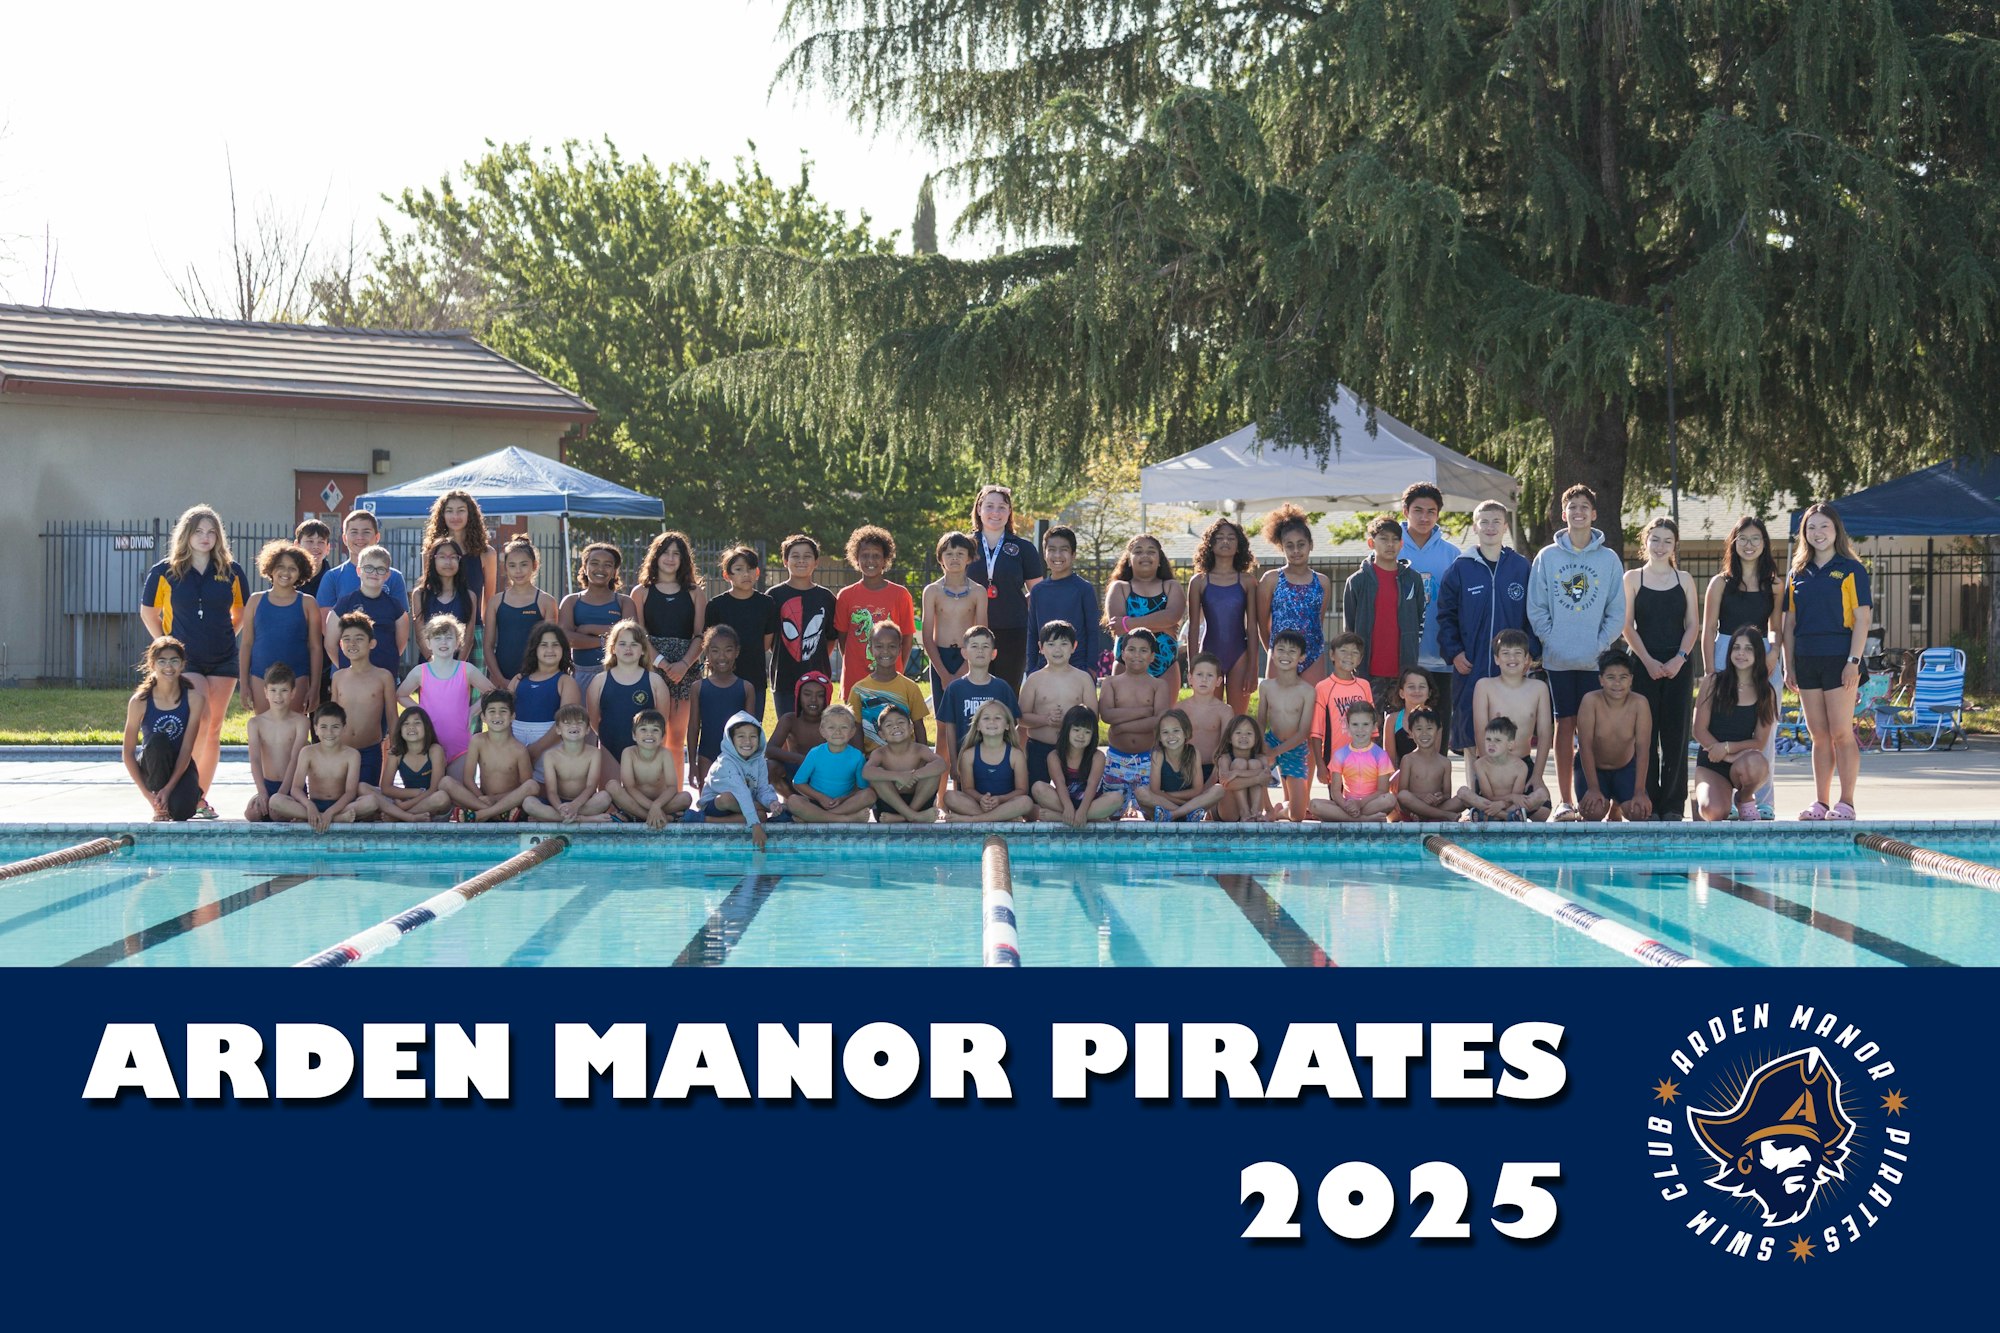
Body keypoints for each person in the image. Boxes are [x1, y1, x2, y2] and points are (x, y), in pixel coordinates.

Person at [139, 503, 247, 816]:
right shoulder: (164, 571)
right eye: (199, 531)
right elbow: (148, 612)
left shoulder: (232, 571)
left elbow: (240, 611)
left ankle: (199, 797)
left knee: (214, 727)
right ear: (186, 534)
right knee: (198, 722)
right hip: (188, 660)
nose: (205, 537)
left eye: (211, 532)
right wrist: (165, 645)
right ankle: (181, 790)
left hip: (224, 658)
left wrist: (229, 633)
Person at [1526, 484, 1627, 818]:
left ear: (1594, 514)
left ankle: (1599, 798)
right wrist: (1551, 639)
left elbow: (1617, 611)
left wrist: (1599, 645)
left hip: (1593, 661)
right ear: (1563, 513)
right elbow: (1536, 607)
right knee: (1564, 728)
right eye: (1572, 507)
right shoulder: (1548, 557)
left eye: (1585, 507)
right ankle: (1566, 801)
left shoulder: (1608, 559)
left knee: (1595, 732)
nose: (1578, 512)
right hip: (1558, 660)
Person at [1783, 502, 1872, 820]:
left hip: (1840, 660)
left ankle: (1846, 803)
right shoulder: (1796, 573)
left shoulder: (1852, 569)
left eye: (1824, 526)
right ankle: (1820, 803)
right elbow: (1789, 624)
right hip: (1807, 661)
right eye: (1811, 527)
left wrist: (1853, 661)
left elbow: (1862, 620)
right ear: (1804, 534)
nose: (1818, 533)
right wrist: (1788, 664)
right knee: (1818, 735)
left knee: (1840, 733)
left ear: (1836, 531)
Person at [1436, 499, 1534, 759]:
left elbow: (1533, 613)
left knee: (1509, 728)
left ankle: (1510, 789)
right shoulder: (1460, 568)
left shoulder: (1520, 567)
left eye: (1496, 522)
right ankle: (1474, 788)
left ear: (1505, 527)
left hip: (1511, 665)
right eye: (1484, 522)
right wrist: (1454, 652)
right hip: (1471, 664)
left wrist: (1529, 654)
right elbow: (1446, 616)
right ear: (1475, 526)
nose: (1490, 527)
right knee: (1471, 729)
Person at [1700, 516, 1783, 811]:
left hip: (1762, 655)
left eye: (1755, 539)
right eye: (1743, 539)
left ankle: (1762, 802)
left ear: (1764, 544)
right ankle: (1727, 793)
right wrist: (1710, 670)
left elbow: (1775, 626)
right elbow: (1709, 628)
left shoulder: (1774, 584)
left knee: (1765, 731)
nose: (1749, 545)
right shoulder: (1720, 583)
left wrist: (1774, 651)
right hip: (1727, 650)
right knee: (1727, 725)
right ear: (1734, 543)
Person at [1622, 517, 1700, 820]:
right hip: (1643, 662)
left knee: (1675, 737)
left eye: (1667, 541)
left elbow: (1693, 624)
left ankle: (1672, 806)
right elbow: (1627, 626)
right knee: (1645, 736)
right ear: (1646, 542)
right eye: (1655, 539)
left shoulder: (1685, 579)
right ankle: (1648, 802)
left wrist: (1680, 658)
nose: (1660, 546)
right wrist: (1648, 661)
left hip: (1678, 663)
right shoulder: (1633, 578)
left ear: (1675, 545)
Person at [633, 530, 708, 761]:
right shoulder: (641, 592)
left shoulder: (695, 593)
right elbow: (640, 635)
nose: (670, 558)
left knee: (676, 739)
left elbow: (700, 635)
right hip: (652, 667)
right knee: (654, 736)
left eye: (677, 554)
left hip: (685, 670)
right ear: (655, 556)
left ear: (684, 560)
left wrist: (683, 665)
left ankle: (675, 794)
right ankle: (652, 792)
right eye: (665, 552)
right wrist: (662, 663)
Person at [395, 613, 496, 782]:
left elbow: (491, 692)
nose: (443, 642)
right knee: (435, 794)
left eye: (449, 638)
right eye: (438, 638)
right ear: (428, 643)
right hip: (429, 745)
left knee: (459, 792)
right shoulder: (421, 671)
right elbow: (401, 695)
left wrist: (472, 711)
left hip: (460, 747)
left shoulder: (467, 669)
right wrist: (421, 711)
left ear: (458, 643)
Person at [1692, 628, 1779, 822]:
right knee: (1713, 812)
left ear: (1758, 654)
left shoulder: (1766, 692)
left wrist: (1728, 751)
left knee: (1758, 763)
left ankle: (1744, 798)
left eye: (1748, 649)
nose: (1741, 653)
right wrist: (1720, 752)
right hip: (1711, 761)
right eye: (1736, 648)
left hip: (1742, 761)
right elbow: (1698, 730)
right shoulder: (1713, 682)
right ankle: (1703, 795)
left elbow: (1759, 742)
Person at [1470, 629, 1554, 821]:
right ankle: (1511, 813)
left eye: (1517, 653)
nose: (1512, 658)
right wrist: (1488, 768)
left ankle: (1500, 813)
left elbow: (1544, 733)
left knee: (1543, 811)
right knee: (1471, 796)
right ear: (1496, 659)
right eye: (1505, 653)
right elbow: (1480, 731)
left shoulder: (1538, 688)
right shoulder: (1484, 686)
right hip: (1491, 763)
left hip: (1522, 763)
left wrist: (1538, 775)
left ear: (1527, 659)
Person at [1343, 515, 1427, 708]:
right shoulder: (1357, 581)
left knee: (1402, 730)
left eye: (1395, 539)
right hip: (1368, 671)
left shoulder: (1413, 580)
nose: (1390, 544)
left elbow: (1419, 617)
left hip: (1404, 671)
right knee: (1371, 728)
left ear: (1401, 543)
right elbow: (1350, 629)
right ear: (1371, 543)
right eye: (1384, 539)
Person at [967, 483, 1045, 688]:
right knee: (974, 691)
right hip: (971, 631)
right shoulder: (963, 545)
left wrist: (1018, 605)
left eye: (1002, 507)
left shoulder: (1024, 548)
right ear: (979, 509)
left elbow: (1038, 594)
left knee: (1007, 691)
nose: (996, 512)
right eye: (989, 506)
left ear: (1009, 512)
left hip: (1013, 631)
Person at [121, 636, 207, 822]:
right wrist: (149, 796)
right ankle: (159, 806)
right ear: (152, 664)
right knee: (158, 740)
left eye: (174, 661)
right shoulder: (139, 702)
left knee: (181, 811)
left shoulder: (194, 699)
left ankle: (187, 794)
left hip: (180, 764)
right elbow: (127, 753)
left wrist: (168, 790)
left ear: (183, 664)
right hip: (153, 762)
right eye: (162, 661)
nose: (169, 666)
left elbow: (186, 749)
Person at [1398, 481, 1461, 716]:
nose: (1424, 517)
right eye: (1418, 510)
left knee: (1439, 724)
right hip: (1401, 657)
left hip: (1441, 657)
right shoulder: (1392, 549)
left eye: (1431, 511)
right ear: (1406, 511)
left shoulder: (1453, 555)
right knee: (1400, 729)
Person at [239, 539, 321, 716]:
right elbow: (246, 644)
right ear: (270, 567)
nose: (286, 572)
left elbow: (315, 647)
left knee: (294, 732)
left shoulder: (308, 603)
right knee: (265, 729)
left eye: (293, 568)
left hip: (297, 676)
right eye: (281, 566)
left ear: (301, 573)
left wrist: (315, 687)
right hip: (260, 675)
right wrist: (244, 683)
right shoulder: (255, 600)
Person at [271, 701, 377, 830]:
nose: (329, 732)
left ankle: (319, 818)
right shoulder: (307, 752)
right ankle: (330, 819)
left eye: (335, 727)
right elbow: (296, 788)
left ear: (344, 728)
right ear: (315, 729)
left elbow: (350, 792)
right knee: (275, 800)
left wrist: (331, 812)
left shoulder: (352, 755)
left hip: (341, 806)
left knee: (371, 802)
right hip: (314, 804)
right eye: (324, 727)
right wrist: (309, 806)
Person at [1187, 517, 1257, 713]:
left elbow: (1252, 627)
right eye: (1219, 538)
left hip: (1240, 656)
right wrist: (1193, 665)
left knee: (1236, 719)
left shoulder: (1248, 581)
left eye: (1231, 538)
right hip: (1209, 653)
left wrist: (1253, 667)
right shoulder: (1199, 582)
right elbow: (1193, 626)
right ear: (1210, 544)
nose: (1225, 541)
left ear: (1239, 545)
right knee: (1211, 715)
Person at [1575, 648, 1653, 822]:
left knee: (1639, 812)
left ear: (1631, 680)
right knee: (1593, 812)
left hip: (1625, 767)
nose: (1617, 683)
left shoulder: (1639, 703)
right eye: (1611, 678)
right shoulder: (1590, 701)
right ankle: (1600, 796)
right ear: (1601, 680)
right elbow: (1584, 746)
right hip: (1593, 768)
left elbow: (1643, 749)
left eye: (1623, 677)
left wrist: (1640, 791)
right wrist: (1593, 788)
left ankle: (1617, 805)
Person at [1098, 629, 1173, 810]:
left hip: (1148, 759)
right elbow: (1106, 715)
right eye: (1131, 649)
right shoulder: (1111, 683)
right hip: (1117, 758)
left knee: (1150, 814)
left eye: (1143, 650)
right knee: (1113, 814)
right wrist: (1143, 711)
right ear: (1122, 653)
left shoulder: (1159, 685)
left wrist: (1122, 727)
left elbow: (1159, 720)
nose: (1136, 655)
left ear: (1152, 656)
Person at [835, 526, 915, 695]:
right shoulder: (845, 595)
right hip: (855, 679)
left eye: (876, 556)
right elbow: (843, 638)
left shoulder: (901, 594)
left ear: (885, 560)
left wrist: (898, 667)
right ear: (856, 559)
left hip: (890, 677)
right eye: (865, 555)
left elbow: (907, 638)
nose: (870, 560)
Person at [1105, 533, 1186, 695]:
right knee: (1125, 714)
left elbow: (1172, 616)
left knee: (1163, 718)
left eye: (1151, 551)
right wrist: (1162, 626)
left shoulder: (1171, 586)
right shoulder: (1120, 588)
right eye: (1138, 551)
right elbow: (1118, 628)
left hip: (1165, 663)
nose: (1145, 555)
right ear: (1129, 559)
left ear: (1159, 560)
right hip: (1126, 661)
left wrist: (1129, 623)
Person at [325, 612, 397, 792]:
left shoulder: (383, 677)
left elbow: (392, 716)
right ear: (340, 644)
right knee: (338, 797)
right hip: (341, 750)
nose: (352, 644)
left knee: (366, 800)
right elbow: (332, 717)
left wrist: (395, 747)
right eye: (347, 639)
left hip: (370, 752)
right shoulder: (338, 677)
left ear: (372, 643)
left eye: (359, 638)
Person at [1018, 621, 1097, 785]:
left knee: (1074, 796)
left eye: (1064, 644)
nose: (1057, 649)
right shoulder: (1034, 679)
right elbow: (1021, 718)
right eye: (1051, 644)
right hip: (1040, 748)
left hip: (1075, 749)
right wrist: (1045, 720)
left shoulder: (1083, 679)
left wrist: (1068, 723)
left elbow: (1093, 717)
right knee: (1036, 794)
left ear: (1074, 646)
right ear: (1041, 647)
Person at [1258, 504, 1330, 684]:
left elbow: (1317, 622)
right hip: (1280, 653)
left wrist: (1307, 651)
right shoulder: (1271, 579)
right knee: (1277, 707)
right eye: (1289, 546)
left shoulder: (1322, 582)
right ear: (1282, 548)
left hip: (1312, 654)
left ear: (1311, 545)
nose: (1296, 551)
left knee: (1312, 707)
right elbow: (1262, 623)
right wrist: (1275, 651)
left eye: (1301, 544)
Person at [442, 693, 539, 822]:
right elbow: (468, 779)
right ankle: (496, 814)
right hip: (482, 798)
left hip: (508, 801)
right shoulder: (477, 741)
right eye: (492, 711)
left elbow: (525, 787)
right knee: (446, 782)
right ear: (483, 717)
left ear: (512, 716)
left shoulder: (519, 750)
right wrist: (482, 798)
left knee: (532, 785)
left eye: (503, 711)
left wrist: (494, 800)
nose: (497, 716)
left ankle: (480, 814)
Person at [695, 711, 787, 849]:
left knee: (761, 816)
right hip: (717, 806)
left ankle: (710, 822)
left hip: (743, 806)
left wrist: (771, 802)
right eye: (741, 736)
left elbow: (762, 788)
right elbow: (741, 792)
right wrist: (755, 825)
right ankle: (705, 818)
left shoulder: (759, 761)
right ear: (731, 740)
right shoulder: (725, 762)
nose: (747, 742)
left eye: (753, 736)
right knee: (727, 798)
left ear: (760, 738)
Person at [770, 534, 838, 719]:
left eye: (807, 556)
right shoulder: (774, 595)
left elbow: (831, 638)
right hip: (784, 676)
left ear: (816, 562)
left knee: (817, 728)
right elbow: (770, 638)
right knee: (787, 727)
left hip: (817, 676)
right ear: (785, 561)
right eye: (795, 556)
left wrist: (812, 657)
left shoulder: (826, 597)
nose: (801, 560)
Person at [559, 541, 637, 698]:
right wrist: (607, 640)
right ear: (585, 568)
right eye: (594, 563)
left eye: (607, 565)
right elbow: (566, 639)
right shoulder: (571, 601)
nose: (600, 569)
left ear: (615, 571)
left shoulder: (624, 602)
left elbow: (631, 636)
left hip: (618, 673)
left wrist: (589, 629)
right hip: (581, 673)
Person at [586, 621, 670, 766]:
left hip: (644, 753)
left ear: (643, 650)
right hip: (609, 749)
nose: (628, 648)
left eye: (634, 644)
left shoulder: (655, 682)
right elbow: (594, 721)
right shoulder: (599, 682)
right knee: (610, 789)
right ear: (612, 648)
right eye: (622, 644)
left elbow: (662, 723)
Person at [511, 621, 584, 783]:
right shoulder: (518, 680)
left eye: (555, 645)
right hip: (515, 743)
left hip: (550, 742)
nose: (550, 650)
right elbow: (505, 713)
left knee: (542, 789)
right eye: (544, 645)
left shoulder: (565, 682)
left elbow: (566, 722)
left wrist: (536, 750)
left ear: (564, 650)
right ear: (534, 649)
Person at [1027, 525, 1103, 677]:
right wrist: (1031, 670)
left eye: (1064, 549)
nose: (1057, 555)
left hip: (1078, 667)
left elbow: (1093, 632)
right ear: (1044, 554)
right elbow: (1033, 633)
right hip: (1044, 668)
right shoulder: (1037, 591)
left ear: (1073, 554)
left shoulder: (1084, 589)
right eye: (1052, 549)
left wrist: (1091, 668)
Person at [936, 626, 1021, 762]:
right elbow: (950, 727)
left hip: (998, 761)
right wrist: (953, 761)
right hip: (964, 762)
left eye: (985, 646)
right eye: (974, 646)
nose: (980, 650)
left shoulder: (1002, 688)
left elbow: (1014, 725)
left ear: (993, 653)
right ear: (964, 653)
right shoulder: (955, 689)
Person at [943, 697, 1035, 823]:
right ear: (978, 726)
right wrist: (981, 799)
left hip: (1006, 804)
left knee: (1026, 802)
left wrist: (1000, 799)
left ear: (1008, 725)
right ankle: (1002, 818)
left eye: (998, 718)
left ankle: (973, 819)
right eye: (986, 718)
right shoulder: (969, 755)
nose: (992, 721)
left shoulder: (1015, 754)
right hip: (978, 805)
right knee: (950, 796)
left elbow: (1022, 790)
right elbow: (967, 789)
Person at [485, 536, 559, 690]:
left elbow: (551, 646)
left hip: (537, 679)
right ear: (505, 568)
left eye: (523, 565)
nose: (518, 571)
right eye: (512, 565)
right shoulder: (495, 602)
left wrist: (538, 677)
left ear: (534, 565)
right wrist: (501, 680)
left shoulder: (546, 602)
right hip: (501, 680)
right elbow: (488, 646)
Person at [923, 532, 987, 711]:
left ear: (969, 558)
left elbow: (983, 634)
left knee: (968, 718)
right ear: (940, 558)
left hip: (969, 657)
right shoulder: (932, 591)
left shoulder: (978, 592)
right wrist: (944, 675)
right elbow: (927, 637)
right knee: (942, 724)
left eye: (960, 553)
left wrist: (963, 671)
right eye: (949, 554)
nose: (954, 558)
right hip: (939, 659)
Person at [1030, 704, 1123, 825]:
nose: (1081, 736)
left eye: (1087, 732)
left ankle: (1062, 817)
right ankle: (1089, 818)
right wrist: (1068, 807)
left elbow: (1092, 785)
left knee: (1117, 798)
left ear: (1093, 735)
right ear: (1066, 730)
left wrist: (1083, 811)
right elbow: (1060, 784)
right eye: (1076, 730)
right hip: (1062, 802)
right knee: (1038, 788)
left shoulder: (1097, 757)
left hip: (1090, 803)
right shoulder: (1054, 756)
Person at [846, 621, 932, 752]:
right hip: (872, 762)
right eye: (879, 646)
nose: (885, 651)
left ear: (899, 649)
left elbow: (919, 726)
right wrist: (860, 762)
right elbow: (856, 729)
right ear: (871, 649)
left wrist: (924, 758)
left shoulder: (910, 687)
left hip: (907, 761)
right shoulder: (858, 690)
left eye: (892, 646)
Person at [687, 624, 757, 784]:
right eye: (715, 650)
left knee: (735, 803)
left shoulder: (746, 688)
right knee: (708, 805)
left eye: (728, 650)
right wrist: (692, 764)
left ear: (737, 652)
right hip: (707, 756)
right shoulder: (698, 687)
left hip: (738, 757)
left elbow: (751, 732)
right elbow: (693, 727)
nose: (722, 656)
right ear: (706, 652)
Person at [783, 704, 876, 823]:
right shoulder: (815, 753)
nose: (838, 732)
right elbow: (798, 783)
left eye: (844, 727)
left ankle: (815, 818)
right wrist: (820, 797)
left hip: (843, 804)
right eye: (831, 727)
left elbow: (861, 788)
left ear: (852, 732)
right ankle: (844, 819)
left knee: (870, 794)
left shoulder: (857, 756)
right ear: (822, 731)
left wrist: (843, 799)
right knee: (793, 801)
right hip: (816, 803)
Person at [1309, 700, 1399, 822]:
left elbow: (1382, 790)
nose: (1360, 730)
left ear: (1374, 726)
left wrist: (1360, 804)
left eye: (1365, 725)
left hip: (1370, 804)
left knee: (1390, 799)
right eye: (1355, 724)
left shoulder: (1380, 755)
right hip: (1347, 805)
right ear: (1347, 726)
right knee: (1314, 805)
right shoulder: (1340, 754)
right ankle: (1363, 819)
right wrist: (1346, 806)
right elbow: (1335, 791)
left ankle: (1347, 818)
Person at [327, 544, 410, 677]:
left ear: (387, 575)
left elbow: (400, 645)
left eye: (380, 569)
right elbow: (330, 645)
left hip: (384, 678)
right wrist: (347, 667)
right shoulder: (345, 604)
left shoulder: (395, 607)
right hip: (352, 678)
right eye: (369, 568)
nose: (374, 573)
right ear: (359, 571)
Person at [1258, 631, 1315, 822]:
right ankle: (1268, 810)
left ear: (1302, 657)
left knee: (1297, 816)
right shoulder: (1266, 686)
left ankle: (1281, 811)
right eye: (1280, 650)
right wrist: (1264, 748)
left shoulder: (1307, 691)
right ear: (1272, 654)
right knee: (1255, 764)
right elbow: (1260, 722)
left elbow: (1303, 733)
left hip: (1294, 747)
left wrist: (1276, 751)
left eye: (1292, 651)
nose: (1285, 655)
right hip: (1271, 740)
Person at [524, 704, 615, 824]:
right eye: (567, 723)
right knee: (528, 802)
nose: (574, 726)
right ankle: (583, 819)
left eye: (579, 722)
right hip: (558, 804)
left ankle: (552, 818)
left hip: (583, 803)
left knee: (604, 797)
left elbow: (591, 786)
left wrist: (575, 805)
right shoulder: (551, 755)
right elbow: (551, 790)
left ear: (588, 729)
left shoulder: (594, 753)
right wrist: (560, 808)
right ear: (558, 730)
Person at [862, 700, 949, 823]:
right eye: (889, 725)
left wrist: (913, 775)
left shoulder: (920, 749)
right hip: (889, 809)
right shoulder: (880, 753)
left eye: (901, 722)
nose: (896, 726)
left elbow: (941, 764)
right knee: (877, 774)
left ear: (911, 728)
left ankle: (907, 816)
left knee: (933, 772)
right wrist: (898, 776)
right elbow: (866, 772)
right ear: (881, 734)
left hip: (919, 806)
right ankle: (912, 816)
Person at [608, 709, 695, 828]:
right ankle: (658, 817)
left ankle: (636, 816)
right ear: (634, 735)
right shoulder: (628, 753)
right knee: (612, 786)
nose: (649, 734)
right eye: (643, 729)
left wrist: (657, 805)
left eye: (655, 730)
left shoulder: (665, 754)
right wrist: (652, 808)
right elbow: (630, 787)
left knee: (685, 797)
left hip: (662, 803)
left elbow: (672, 787)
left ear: (663, 737)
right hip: (635, 801)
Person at [244, 663, 309, 822]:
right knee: (252, 814)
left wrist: (282, 792)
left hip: (292, 786)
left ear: (293, 692)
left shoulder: (301, 722)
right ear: (265, 692)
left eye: (284, 690)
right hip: (268, 785)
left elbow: (295, 759)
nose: (278, 697)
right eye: (273, 690)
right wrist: (262, 792)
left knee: (277, 814)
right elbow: (255, 759)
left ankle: (305, 813)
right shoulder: (256, 723)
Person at [1135, 708, 1225, 822]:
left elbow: (1197, 790)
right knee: (1140, 792)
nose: (1171, 736)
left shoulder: (1193, 753)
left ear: (1186, 732)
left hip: (1183, 802)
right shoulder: (1158, 755)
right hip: (1164, 805)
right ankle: (1186, 813)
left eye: (1176, 730)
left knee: (1219, 789)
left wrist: (1169, 795)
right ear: (1159, 737)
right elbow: (1155, 790)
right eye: (1165, 732)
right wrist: (1185, 806)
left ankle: (1174, 815)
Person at [421, 489, 498, 618]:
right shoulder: (430, 552)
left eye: (461, 510)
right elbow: (428, 593)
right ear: (442, 515)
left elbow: (489, 600)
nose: (455, 516)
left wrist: (486, 633)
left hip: (474, 629)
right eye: (449, 511)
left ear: (470, 514)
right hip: (439, 632)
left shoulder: (487, 553)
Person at [1309, 632, 1374, 783]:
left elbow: (1373, 728)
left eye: (1354, 653)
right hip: (1334, 762)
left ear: (1360, 659)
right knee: (1337, 802)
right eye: (1343, 651)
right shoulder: (1323, 687)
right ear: (1332, 655)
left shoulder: (1364, 686)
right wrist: (1320, 764)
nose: (1349, 656)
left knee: (1359, 802)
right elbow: (1316, 732)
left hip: (1361, 760)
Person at [371, 706, 454, 823]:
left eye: (417, 723)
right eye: (406, 724)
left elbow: (434, 789)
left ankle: (400, 817)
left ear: (427, 727)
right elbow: (386, 788)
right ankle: (403, 815)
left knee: (442, 797)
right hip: (411, 797)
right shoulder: (397, 753)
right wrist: (416, 792)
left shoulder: (435, 750)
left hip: (431, 803)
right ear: (400, 730)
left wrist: (404, 806)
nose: (411, 727)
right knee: (363, 787)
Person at [317, 508, 409, 609]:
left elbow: (401, 621)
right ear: (344, 539)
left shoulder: (394, 577)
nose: (360, 537)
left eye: (366, 532)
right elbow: (325, 621)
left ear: (377, 537)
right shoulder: (332, 578)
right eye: (354, 532)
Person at [415, 537, 479, 664]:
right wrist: (436, 664)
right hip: (429, 666)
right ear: (433, 560)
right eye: (442, 557)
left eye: (453, 557)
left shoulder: (470, 596)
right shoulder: (420, 594)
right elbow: (420, 636)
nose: (448, 562)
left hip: (458, 666)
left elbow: (469, 637)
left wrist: (455, 668)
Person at [1393, 708, 1463, 822]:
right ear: (1411, 733)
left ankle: (1426, 815)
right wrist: (1421, 797)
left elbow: (1447, 795)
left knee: (1461, 799)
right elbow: (1402, 792)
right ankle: (1443, 815)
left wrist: (1439, 797)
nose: (1424, 733)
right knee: (1403, 796)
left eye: (1429, 728)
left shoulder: (1445, 762)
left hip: (1436, 806)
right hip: (1414, 806)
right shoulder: (1408, 759)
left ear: (1438, 730)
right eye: (1419, 729)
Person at [767, 673, 832, 791]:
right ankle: (791, 801)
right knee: (770, 766)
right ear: (798, 696)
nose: (813, 700)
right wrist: (801, 759)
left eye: (820, 695)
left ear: (827, 697)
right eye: (807, 694)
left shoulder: (833, 721)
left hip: (825, 775)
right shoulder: (789, 720)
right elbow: (769, 750)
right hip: (796, 772)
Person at [1458, 717, 1532, 822]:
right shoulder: (1480, 764)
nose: (1491, 744)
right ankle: (1508, 817)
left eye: (1497, 740)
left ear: (1510, 745)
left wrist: (1503, 803)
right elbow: (1488, 796)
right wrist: (1506, 801)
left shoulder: (1521, 767)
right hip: (1489, 803)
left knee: (1540, 795)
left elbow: (1517, 797)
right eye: (1488, 739)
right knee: (1462, 792)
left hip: (1510, 807)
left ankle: (1486, 816)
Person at [1211, 715, 1272, 823]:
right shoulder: (1225, 758)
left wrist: (1237, 773)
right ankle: (1244, 812)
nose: (1244, 736)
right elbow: (1227, 783)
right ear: (1229, 738)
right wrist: (1256, 779)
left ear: (1256, 738)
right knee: (1239, 763)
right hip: (1228, 812)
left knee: (1254, 764)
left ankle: (1255, 812)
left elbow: (1266, 776)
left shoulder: (1261, 758)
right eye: (1238, 733)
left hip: (1253, 811)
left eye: (1249, 733)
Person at [1178, 653, 1233, 763]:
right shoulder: (1180, 708)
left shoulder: (1224, 711)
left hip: (1213, 766)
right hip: (1184, 767)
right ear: (1190, 678)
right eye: (1199, 674)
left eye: (1210, 675)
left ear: (1218, 681)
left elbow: (1225, 748)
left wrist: (1214, 775)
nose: (1204, 679)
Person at [1387, 667, 1434, 761]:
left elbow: (1434, 758)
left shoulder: (1435, 720)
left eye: (1422, 686)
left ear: (1429, 693)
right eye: (1411, 686)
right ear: (1402, 693)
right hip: (1400, 774)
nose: (1417, 690)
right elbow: (1389, 761)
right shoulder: (1392, 720)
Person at [294, 518, 333, 599]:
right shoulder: (288, 576)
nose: (316, 547)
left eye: (321, 542)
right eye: (310, 541)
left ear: (328, 548)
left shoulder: (334, 579)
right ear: (297, 545)